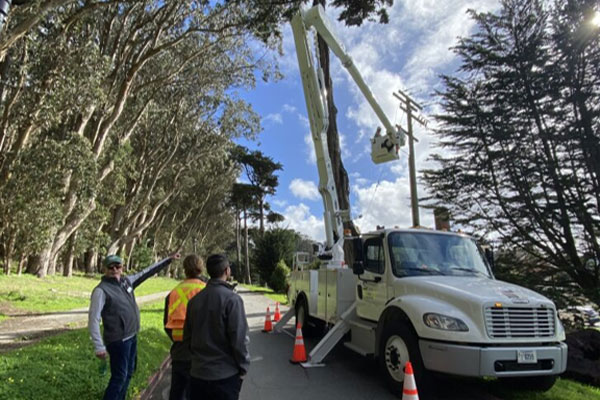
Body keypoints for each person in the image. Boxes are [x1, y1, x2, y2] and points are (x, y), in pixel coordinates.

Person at [88, 252, 180, 400]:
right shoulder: (100, 290)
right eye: (110, 267)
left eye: (117, 266)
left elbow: (147, 272)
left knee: (129, 373)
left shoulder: (127, 281)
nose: (114, 269)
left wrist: (168, 260)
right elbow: (93, 319)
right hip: (118, 340)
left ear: (122, 268)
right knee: (119, 377)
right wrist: (98, 346)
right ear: (104, 269)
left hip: (131, 336)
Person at [184, 254, 250, 400]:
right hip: (225, 377)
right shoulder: (232, 300)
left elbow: (187, 337)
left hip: (198, 375)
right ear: (227, 271)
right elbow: (239, 339)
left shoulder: (194, 301)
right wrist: (243, 366)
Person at [163, 254, 207, 400]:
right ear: (201, 268)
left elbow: (166, 323)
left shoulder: (173, 292)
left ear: (184, 269)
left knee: (177, 391)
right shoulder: (205, 290)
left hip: (179, 350)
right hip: (200, 352)